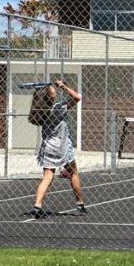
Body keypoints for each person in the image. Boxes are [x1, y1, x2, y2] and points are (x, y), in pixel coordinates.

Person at [29, 76, 86, 219]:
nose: (54, 90)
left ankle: (37, 206)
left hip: (48, 146)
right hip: (62, 146)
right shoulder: (59, 108)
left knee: (48, 176)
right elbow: (78, 97)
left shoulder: (40, 110)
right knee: (73, 173)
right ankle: (80, 203)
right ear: (50, 95)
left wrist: (42, 92)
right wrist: (63, 87)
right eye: (52, 90)